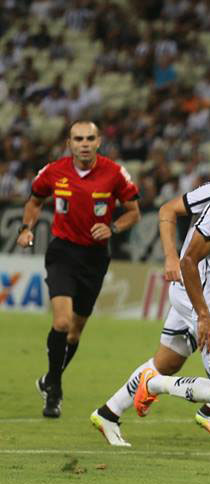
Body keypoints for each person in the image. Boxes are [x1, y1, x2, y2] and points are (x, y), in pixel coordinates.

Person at [90, 134, 210, 446]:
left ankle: (109, 412)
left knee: (168, 359)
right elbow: (166, 210)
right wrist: (169, 257)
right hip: (204, 296)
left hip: (199, 293)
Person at [17, 120, 140, 418]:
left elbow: (133, 212)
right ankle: (55, 389)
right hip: (62, 252)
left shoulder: (114, 173)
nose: (83, 143)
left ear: (98, 142)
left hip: (95, 258)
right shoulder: (53, 171)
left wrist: (112, 227)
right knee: (61, 322)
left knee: (74, 332)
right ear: (69, 143)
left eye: (89, 138)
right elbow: (34, 202)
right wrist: (25, 228)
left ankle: (49, 379)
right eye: (77, 139)